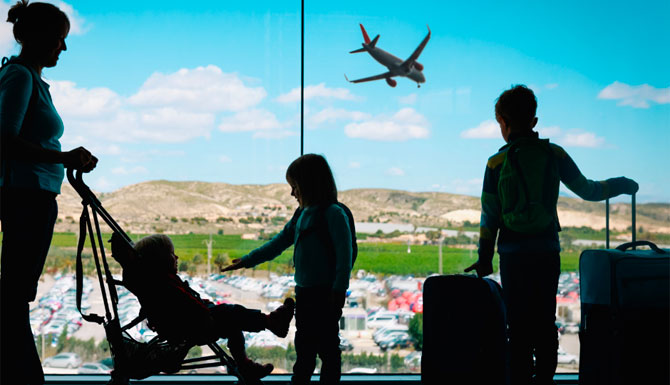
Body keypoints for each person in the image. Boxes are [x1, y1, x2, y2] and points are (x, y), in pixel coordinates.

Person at [465, 85, 638, 385]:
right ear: (533, 121)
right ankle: (544, 380)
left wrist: (484, 258)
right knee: (545, 322)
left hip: (512, 255)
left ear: (502, 123)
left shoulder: (496, 163)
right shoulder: (554, 154)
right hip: (546, 251)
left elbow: (488, 216)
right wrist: (620, 184)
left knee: (517, 326)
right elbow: (589, 190)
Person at [0, 1, 98, 383]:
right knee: (14, 297)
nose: (64, 48)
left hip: (31, 194)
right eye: (60, 39)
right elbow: (5, 141)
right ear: (39, 38)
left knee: (15, 295)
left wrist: (62, 158)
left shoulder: (24, 77)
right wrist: (64, 156)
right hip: (27, 196)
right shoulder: (21, 77)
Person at [222, 153, 353, 384]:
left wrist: (338, 292)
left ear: (309, 184)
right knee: (305, 347)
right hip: (305, 293)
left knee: (327, 350)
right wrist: (247, 260)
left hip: (325, 296)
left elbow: (345, 257)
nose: (292, 193)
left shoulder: (333, 214)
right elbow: (279, 242)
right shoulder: (302, 214)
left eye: (295, 186)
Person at [114, 233, 296, 381]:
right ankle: (270, 322)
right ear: (160, 261)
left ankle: (245, 364)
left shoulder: (155, 283)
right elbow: (188, 305)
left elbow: (178, 303)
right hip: (195, 324)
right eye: (172, 254)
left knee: (233, 324)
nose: (176, 257)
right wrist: (207, 311)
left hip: (190, 323)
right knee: (232, 313)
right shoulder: (165, 285)